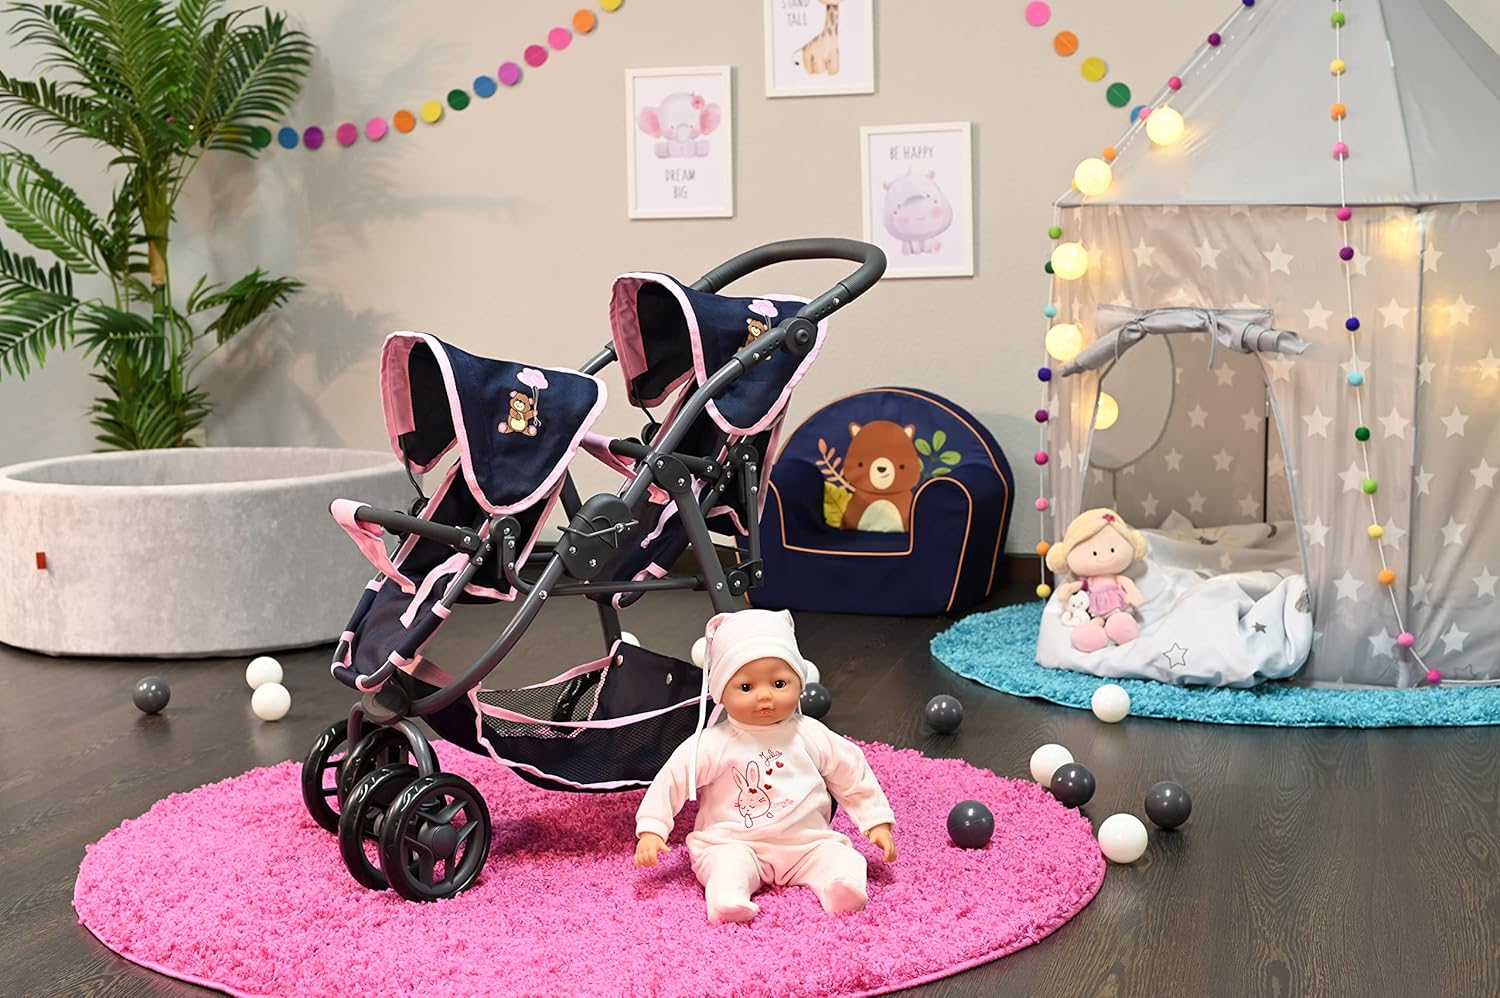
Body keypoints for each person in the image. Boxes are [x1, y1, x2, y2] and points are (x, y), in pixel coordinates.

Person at [633, 609, 897, 923]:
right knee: (726, 864)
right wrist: (652, 828)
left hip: (806, 843)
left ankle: (840, 887)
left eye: (779, 683)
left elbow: (851, 772)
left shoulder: (810, 734)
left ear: (799, 683)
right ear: (721, 692)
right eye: (746, 687)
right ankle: (727, 898)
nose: (765, 697)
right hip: (733, 842)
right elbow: (671, 781)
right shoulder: (713, 743)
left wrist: (875, 821)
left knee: (841, 856)